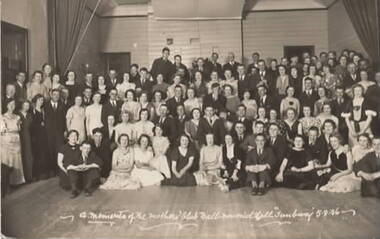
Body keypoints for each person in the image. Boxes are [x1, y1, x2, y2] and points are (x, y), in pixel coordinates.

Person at [1, 99, 25, 186]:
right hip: (7, 140)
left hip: (16, 139)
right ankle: (7, 182)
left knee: (17, 159)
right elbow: (2, 131)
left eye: (13, 104)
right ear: (6, 105)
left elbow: (19, 129)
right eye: (10, 104)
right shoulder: (2, 117)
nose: (12, 106)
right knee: (8, 160)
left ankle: (17, 181)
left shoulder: (17, 117)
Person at [45, 89, 66, 175]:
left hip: (59, 132)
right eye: (54, 94)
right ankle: (51, 170)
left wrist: (65, 130)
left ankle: (58, 170)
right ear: (51, 95)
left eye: (58, 95)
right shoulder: (45, 106)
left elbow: (64, 119)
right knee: (50, 151)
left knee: (59, 150)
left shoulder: (62, 105)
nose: (56, 96)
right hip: (48, 133)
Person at [18, 100, 34, 182]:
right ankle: (21, 178)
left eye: (28, 105)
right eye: (25, 105)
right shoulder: (18, 114)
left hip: (28, 137)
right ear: (22, 105)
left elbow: (30, 126)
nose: (27, 107)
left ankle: (29, 177)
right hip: (19, 137)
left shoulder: (29, 115)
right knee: (21, 156)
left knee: (28, 156)